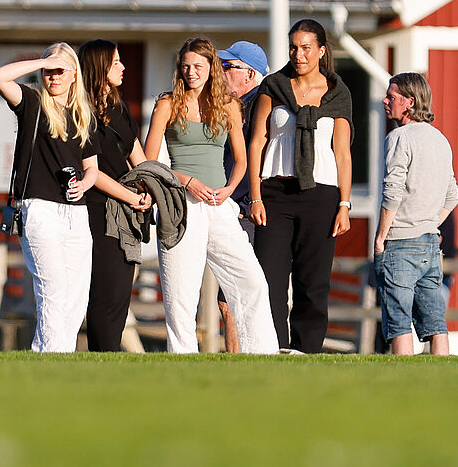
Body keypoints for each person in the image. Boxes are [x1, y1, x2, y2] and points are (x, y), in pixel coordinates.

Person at [144, 38, 277, 354]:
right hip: (181, 205)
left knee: (251, 281)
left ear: (210, 69)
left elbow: (243, 160)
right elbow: (148, 162)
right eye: (186, 66)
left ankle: (261, 353)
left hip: (220, 206)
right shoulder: (167, 104)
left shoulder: (229, 105)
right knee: (181, 293)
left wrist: (230, 189)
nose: (191, 72)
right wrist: (187, 181)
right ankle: (183, 359)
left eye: (198, 66)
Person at [248, 19, 355, 354]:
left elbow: (342, 153)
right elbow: (257, 142)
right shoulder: (273, 86)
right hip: (275, 194)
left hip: (321, 196)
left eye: (306, 47)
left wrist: (345, 204)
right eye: (293, 47)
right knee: (270, 279)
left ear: (321, 51)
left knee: (313, 282)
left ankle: (306, 351)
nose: (298, 54)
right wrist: (255, 196)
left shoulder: (338, 93)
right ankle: (273, 348)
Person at [0, 43, 101, 353]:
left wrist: (84, 184)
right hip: (39, 208)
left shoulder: (83, 115)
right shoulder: (32, 102)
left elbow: (91, 167)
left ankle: (50, 357)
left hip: (76, 212)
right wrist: (43, 60)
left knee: (76, 295)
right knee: (52, 290)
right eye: (48, 70)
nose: (53, 75)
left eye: (60, 70)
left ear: (74, 76)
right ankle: (53, 357)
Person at [75, 40, 155, 352]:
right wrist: (129, 196)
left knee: (122, 289)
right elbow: (92, 171)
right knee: (105, 291)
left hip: (129, 210)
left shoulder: (118, 108)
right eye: (116, 62)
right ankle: (101, 355)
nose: (123, 68)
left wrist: (147, 188)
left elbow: (139, 157)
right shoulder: (82, 112)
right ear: (100, 68)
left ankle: (109, 358)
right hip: (98, 210)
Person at [373, 72, 458, 356]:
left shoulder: (398, 137)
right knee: (436, 322)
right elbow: (452, 196)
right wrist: (430, 223)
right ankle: (443, 382)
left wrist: (381, 236)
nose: (385, 101)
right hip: (430, 243)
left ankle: (402, 384)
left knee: (398, 322)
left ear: (409, 102)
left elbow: (393, 191)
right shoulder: (441, 140)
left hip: (399, 243)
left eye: (391, 96)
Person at [215, 39, 270, 351]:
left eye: (228, 66)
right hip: (229, 205)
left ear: (249, 74)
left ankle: (241, 360)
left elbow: (256, 159)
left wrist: (246, 200)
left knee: (234, 296)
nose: (221, 72)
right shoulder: (230, 108)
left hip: (244, 209)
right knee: (230, 297)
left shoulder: (258, 108)